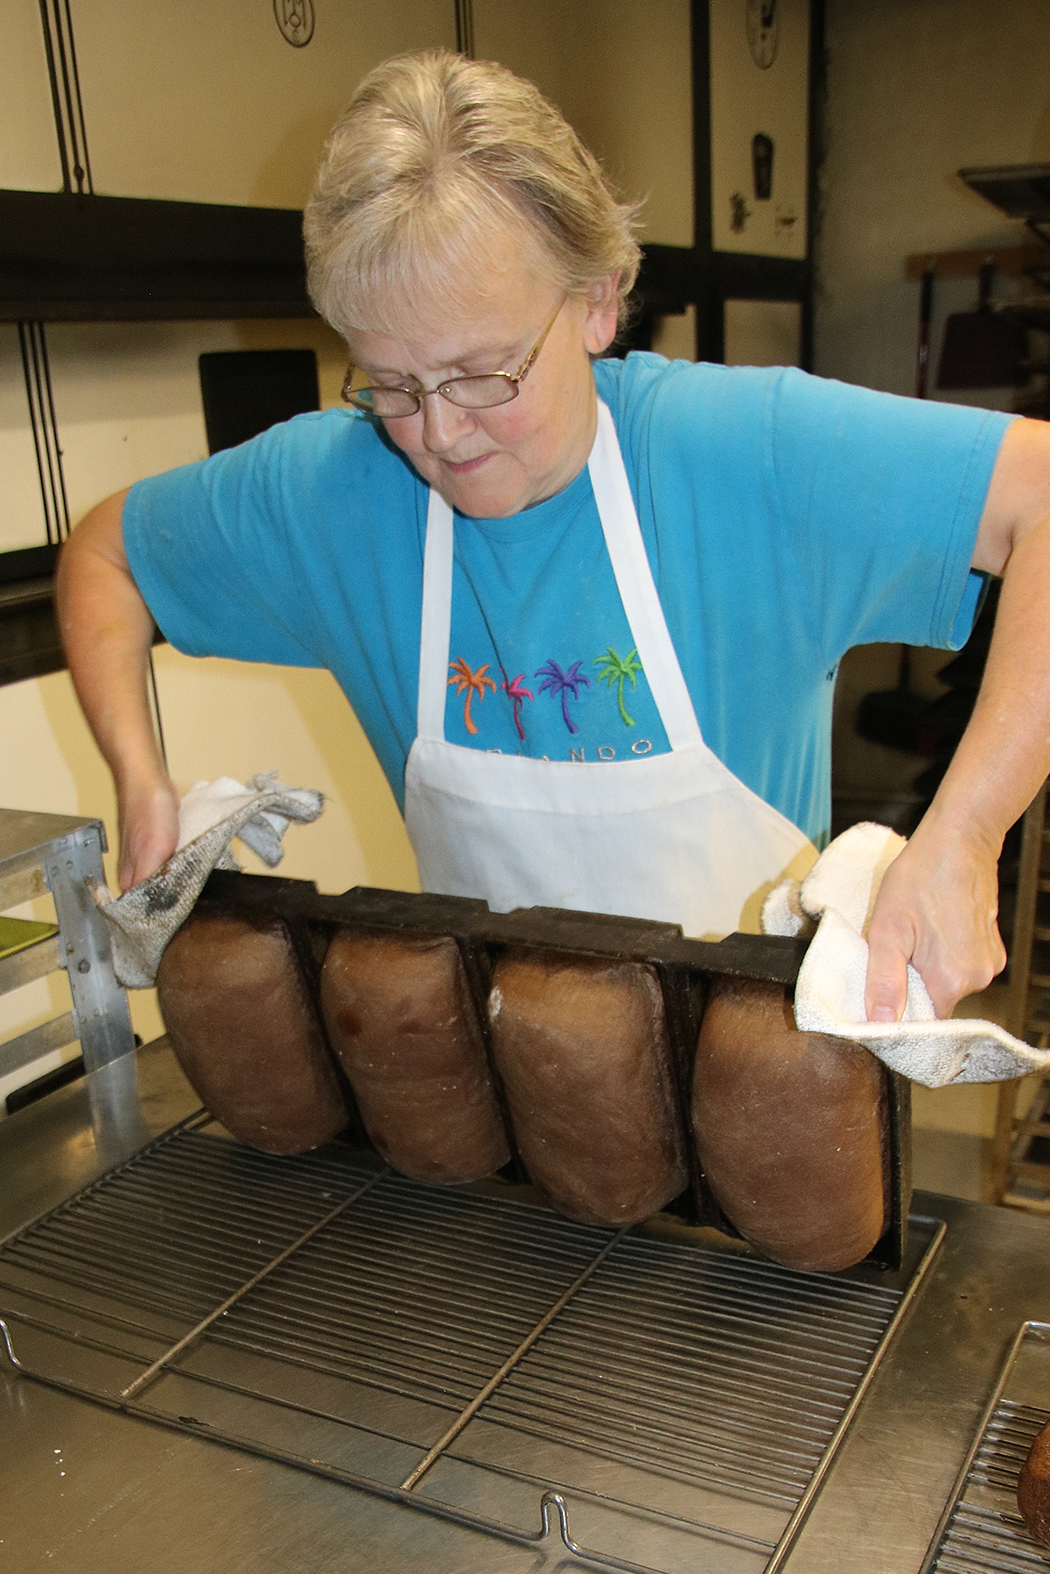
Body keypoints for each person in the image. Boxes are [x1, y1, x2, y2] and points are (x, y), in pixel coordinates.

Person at [57, 48, 1050, 1027]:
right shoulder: (338, 487)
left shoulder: (745, 456)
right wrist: (142, 782)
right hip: (503, 1105)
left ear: (598, 299)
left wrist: (966, 832)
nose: (441, 434)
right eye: (393, 384)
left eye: (487, 372)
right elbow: (104, 554)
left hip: (764, 1100)